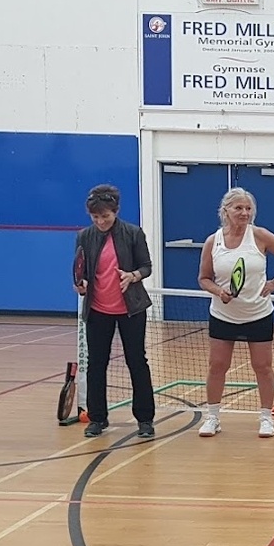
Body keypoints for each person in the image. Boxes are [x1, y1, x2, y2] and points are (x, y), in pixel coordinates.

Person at [196, 187, 274, 439]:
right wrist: (218, 292)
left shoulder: (260, 235)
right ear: (226, 211)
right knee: (217, 366)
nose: (244, 212)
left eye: (248, 208)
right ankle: (212, 417)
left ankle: (266, 418)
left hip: (259, 313)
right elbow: (203, 278)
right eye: (238, 208)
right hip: (223, 314)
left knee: (263, 367)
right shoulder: (214, 241)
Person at [72, 184, 156, 439]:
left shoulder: (132, 233)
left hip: (131, 309)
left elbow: (146, 267)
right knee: (97, 364)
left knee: (136, 362)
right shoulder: (84, 236)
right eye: (95, 217)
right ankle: (97, 418)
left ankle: (145, 419)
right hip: (98, 310)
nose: (100, 221)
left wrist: (133, 275)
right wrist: (81, 285)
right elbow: (80, 270)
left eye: (105, 216)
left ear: (116, 211)